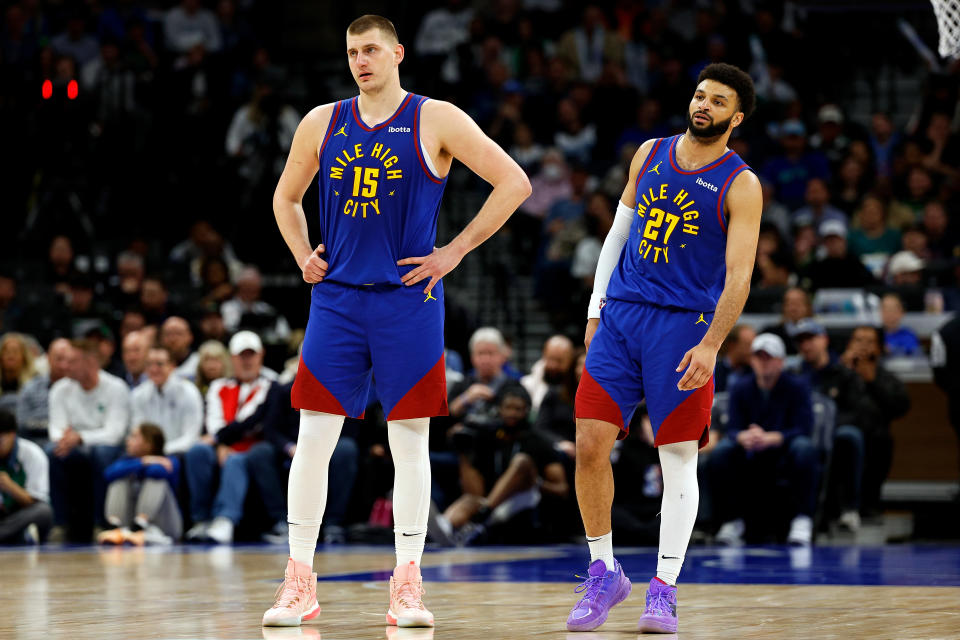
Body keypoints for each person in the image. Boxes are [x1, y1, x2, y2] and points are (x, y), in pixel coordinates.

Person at [264, 14, 530, 629]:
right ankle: (298, 580)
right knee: (314, 438)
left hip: (409, 299)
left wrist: (454, 250)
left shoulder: (435, 117)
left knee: (409, 442)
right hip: (336, 299)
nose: (361, 60)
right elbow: (284, 198)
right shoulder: (322, 121)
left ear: (398, 53)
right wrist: (303, 253)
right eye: (353, 51)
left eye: (373, 50)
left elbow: (513, 182)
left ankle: (407, 582)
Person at [567, 63, 761, 634]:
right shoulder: (649, 153)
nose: (703, 105)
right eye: (700, 95)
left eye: (717, 101)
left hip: (684, 330)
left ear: (737, 116)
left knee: (676, 457)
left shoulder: (741, 183)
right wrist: (595, 308)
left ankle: (664, 588)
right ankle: (604, 571)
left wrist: (711, 343)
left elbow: (740, 276)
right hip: (622, 318)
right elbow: (618, 235)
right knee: (587, 444)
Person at [710, 334, 818, 545]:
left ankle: (802, 518)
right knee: (721, 452)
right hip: (750, 449)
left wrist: (774, 437)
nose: (763, 362)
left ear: (781, 361)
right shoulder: (740, 387)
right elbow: (732, 427)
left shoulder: (797, 387)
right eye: (759, 357)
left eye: (769, 357)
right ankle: (731, 520)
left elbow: (804, 427)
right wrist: (743, 436)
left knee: (804, 448)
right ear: (752, 360)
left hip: (784, 449)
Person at [184, 331, 275, 544]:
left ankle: (225, 519)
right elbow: (214, 422)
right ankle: (201, 519)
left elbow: (251, 422)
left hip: (255, 448)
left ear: (261, 355)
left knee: (236, 459)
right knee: (197, 451)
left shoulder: (271, 384)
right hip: (221, 445)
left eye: (251, 355)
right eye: (241, 356)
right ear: (232, 359)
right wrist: (220, 441)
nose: (247, 361)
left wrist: (222, 440)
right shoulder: (218, 386)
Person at [47, 339, 130, 542]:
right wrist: (66, 440)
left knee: (101, 452)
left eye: (72, 362)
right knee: (52, 450)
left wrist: (81, 438)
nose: (66, 366)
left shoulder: (116, 387)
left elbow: (115, 433)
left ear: (91, 362)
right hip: (73, 447)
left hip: (107, 448)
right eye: (65, 361)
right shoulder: (60, 389)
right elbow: (56, 429)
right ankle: (60, 524)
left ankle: (100, 523)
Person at [793, 320, 865, 531]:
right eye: (801, 341)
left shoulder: (844, 374)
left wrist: (826, 426)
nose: (805, 346)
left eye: (810, 339)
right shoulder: (795, 375)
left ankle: (849, 508)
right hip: (800, 432)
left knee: (850, 436)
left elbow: (856, 411)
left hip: (833, 433)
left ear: (824, 339)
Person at [840, 326, 910, 515]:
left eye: (869, 341)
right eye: (858, 340)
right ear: (849, 344)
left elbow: (900, 407)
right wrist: (844, 371)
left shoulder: (884, 376)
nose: (863, 346)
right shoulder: (835, 370)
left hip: (874, 437)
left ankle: (869, 503)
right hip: (840, 434)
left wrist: (873, 382)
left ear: (879, 348)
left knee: (881, 439)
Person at [99, 422, 182, 545]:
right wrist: (145, 461)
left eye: (134, 437)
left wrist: (148, 462)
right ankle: (115, 526)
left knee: (156, 480)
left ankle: (141, 524)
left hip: (164, 526)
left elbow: (156, 471)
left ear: (148, 444)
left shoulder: (169, 461)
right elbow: (108, 474)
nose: (128, 440)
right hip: (130, 524)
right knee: (118, 479)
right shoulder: (127, 460)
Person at [131, 346, 204, 455]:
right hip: (146, 454)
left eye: (159, 364)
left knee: (156, 469)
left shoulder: (188, 392)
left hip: (179, 453)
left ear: (172, 366)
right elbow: (138, 432)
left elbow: (191, 437)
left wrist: (160, 451)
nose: (153, 369)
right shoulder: (138, 394)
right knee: (114, 470)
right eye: (149, 364)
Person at [0, 409, 52, 544]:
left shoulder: (33, 454)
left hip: (20, 513)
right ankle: (19, 536)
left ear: (12, 435)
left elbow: (35, 501)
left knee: (43, 512)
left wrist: (10, 487)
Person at [16, 338, 73, 444]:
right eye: (59, 359)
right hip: (34, 441)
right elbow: (22, 422)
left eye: (68, 360)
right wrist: (53, 426)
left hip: (68, 444)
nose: (63, 365)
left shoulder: (80, 387)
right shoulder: (31, 387)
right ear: (48, 358)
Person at [0, 332, 37, 415]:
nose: (11, 355)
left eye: (15, 352)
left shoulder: (34, 380)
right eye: (6, 351)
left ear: (24, 356)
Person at [714, 324, 756, 394]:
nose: (752, 351)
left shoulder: (755, 373)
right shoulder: (713, 371)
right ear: (732, 345)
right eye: (748, 345)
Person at [881, 293, 920, 357]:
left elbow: (913, 354)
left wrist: (890, 350)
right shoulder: (875, 335)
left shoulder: (909, 335)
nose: (889, 314)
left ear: (902, 312)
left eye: (893, 310)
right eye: (885, 309)